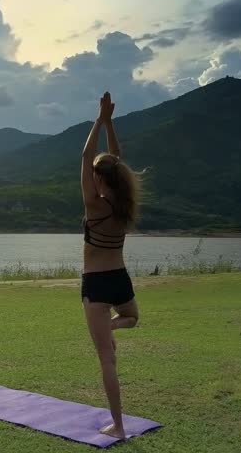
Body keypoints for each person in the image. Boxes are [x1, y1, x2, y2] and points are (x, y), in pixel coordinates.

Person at [81, 91, 141, 438]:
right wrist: (109, 123)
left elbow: (87, 155)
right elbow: (115, 161)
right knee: (132, 317)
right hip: (119, 278)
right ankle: (112, 326)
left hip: (96, 284)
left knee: (107, 359)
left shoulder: (94, 206)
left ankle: (117, 426)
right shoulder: (122, 205)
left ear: (99, 179)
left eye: (95, 175)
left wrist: (99, 120)